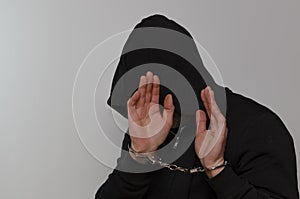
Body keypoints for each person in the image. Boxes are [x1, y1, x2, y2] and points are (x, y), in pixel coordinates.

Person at [95, 14, 299, 199]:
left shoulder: (259, 128)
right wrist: (137, 157)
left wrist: (217, 170)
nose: (156, 116)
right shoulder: (147, 123)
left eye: (165, 105)